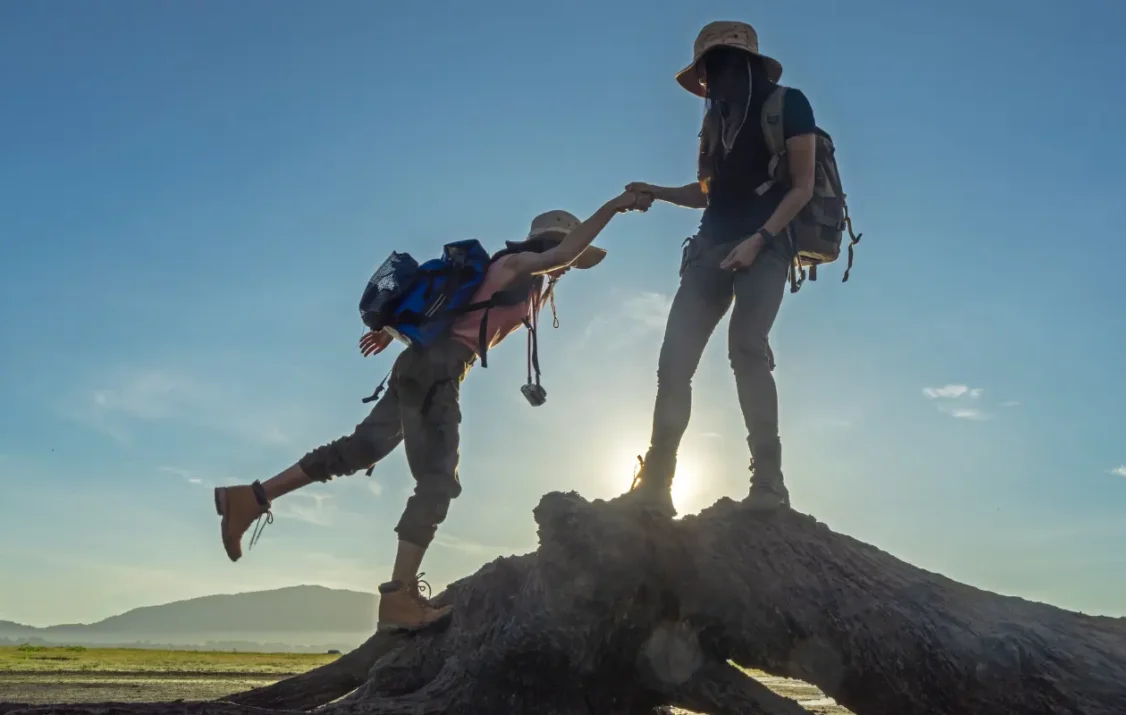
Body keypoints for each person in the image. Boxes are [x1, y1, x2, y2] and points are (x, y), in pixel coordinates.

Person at [213, 190, 651, 632]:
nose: (572, 266)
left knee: (359, 450)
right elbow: (565, 253)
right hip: (434, 374)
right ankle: (400, 599)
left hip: (420, 368)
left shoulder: (520, 279)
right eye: (568, 256)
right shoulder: (516, 266)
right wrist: (614, 206)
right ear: (550, 243)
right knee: (438, 480)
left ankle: (250, 497)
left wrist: (395, 333)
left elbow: (453, 315)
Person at [623, 21, 818, 515]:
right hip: (711, 245)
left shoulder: (788, 104)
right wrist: (659, 192)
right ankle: (657, 482)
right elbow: (707, 190)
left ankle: (769, 484)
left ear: (746, 63)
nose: (713, 81)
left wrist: (760, 240)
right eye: (708, 71)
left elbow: (802, 186)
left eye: (721, 66)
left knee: (747, 347)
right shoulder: (715, 120)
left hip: (769, 244)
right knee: (674, 362)